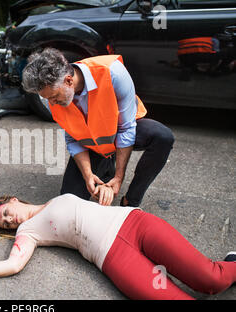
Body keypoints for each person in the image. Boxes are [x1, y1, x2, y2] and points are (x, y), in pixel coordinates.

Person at [0, 192, 236, 300]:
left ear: (11, 200)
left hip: (135, 224)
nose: (10, 219)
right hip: (114, 258)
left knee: (212, 280)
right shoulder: (28, 233)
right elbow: (12, 265)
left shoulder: (58, 196)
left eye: (5, 212)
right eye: (5, 224)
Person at [21, 48, 175, 207]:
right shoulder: (51, 95)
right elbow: (72, 138)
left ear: (69, 81)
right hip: (94, 144)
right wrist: (88, 175)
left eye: (53, 97)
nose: (51, 103)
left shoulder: (113, 73)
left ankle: (131, 201)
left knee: (162, 137)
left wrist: (119, 177)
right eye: (47, 99)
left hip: (121, 130)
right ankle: (105, 167)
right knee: (68, 202)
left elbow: (126, 129)